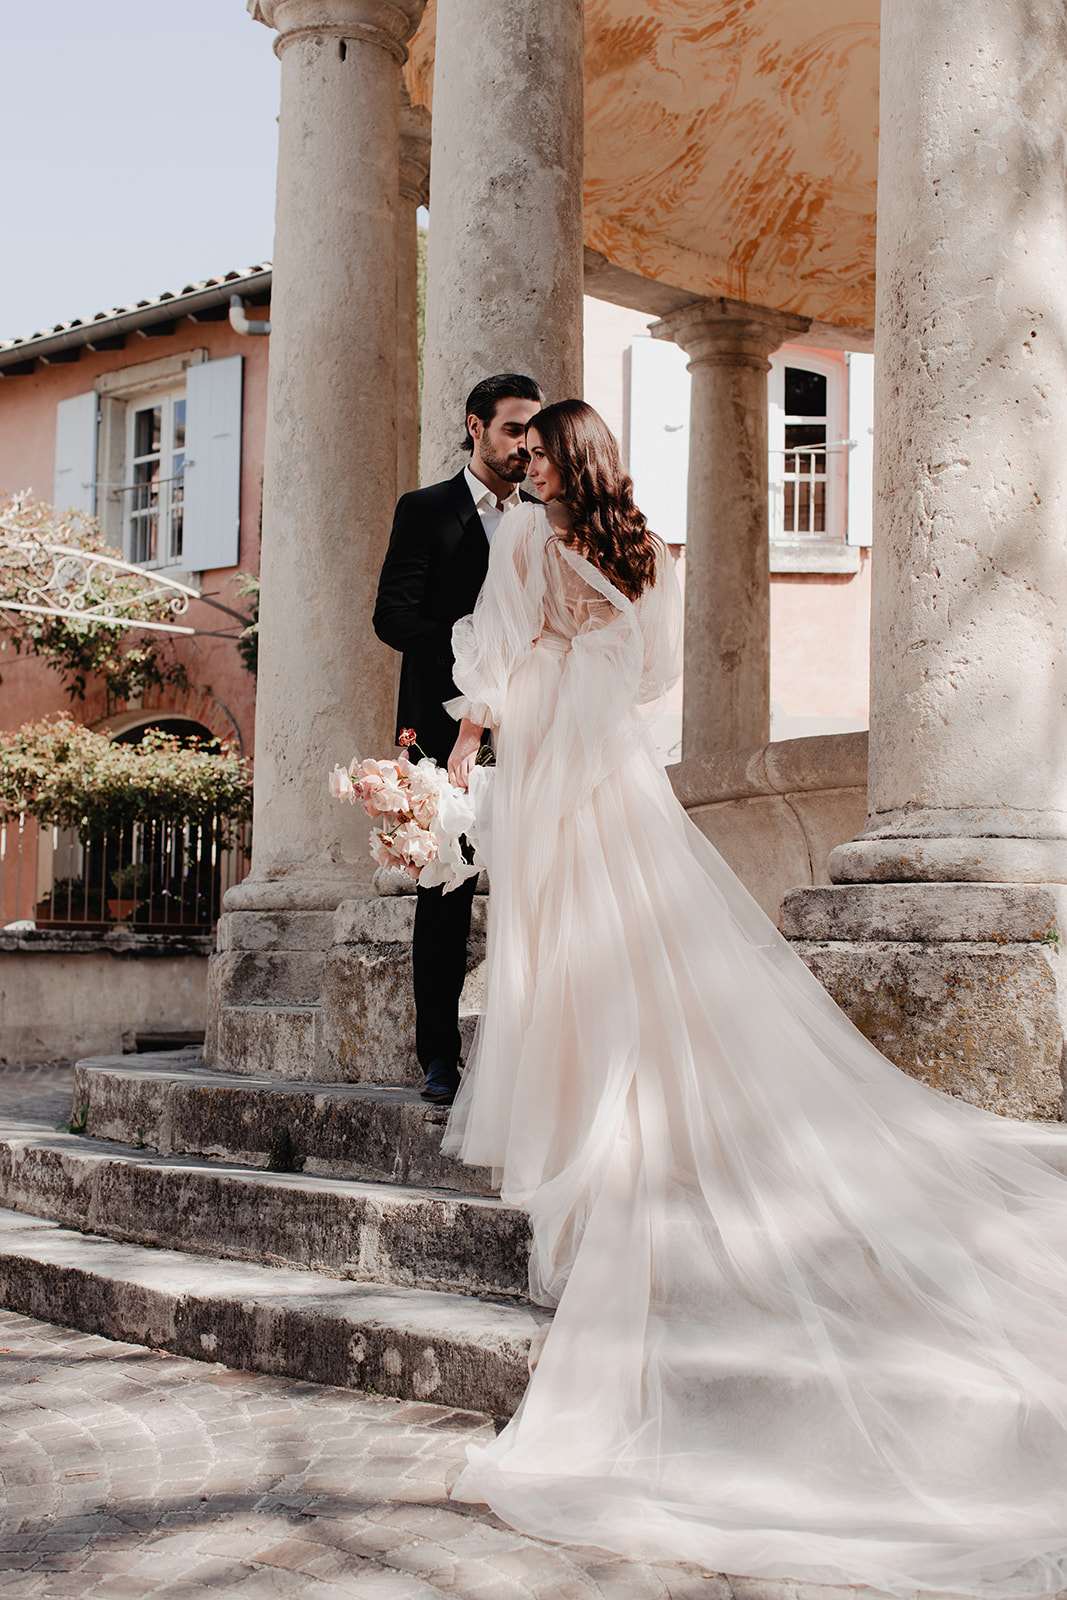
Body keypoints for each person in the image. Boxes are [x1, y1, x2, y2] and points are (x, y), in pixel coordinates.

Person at [438, 397, 1067, 1598]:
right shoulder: (642, 549)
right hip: (618, 774)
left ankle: (590, 1141)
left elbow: (492, 661)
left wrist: (467, 749)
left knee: (564, 955)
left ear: (554, 463)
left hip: (558, 773)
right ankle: (637, 1122)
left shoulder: (523, 535)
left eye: (531, 451)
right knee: (641, 954)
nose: (518, 462)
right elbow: (651, 677)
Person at [373, 373, 543, 1106]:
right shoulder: (425, 510)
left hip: (536, 725)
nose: (523, 449)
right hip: (443, 735)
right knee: (445, 897)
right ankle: (438, 1060)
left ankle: (532, 1058)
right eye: (512, 432)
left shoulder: (544, 517)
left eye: (532, 437)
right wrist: (479, 650)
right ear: (475, 427)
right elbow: (392, 619)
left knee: (539, 893)